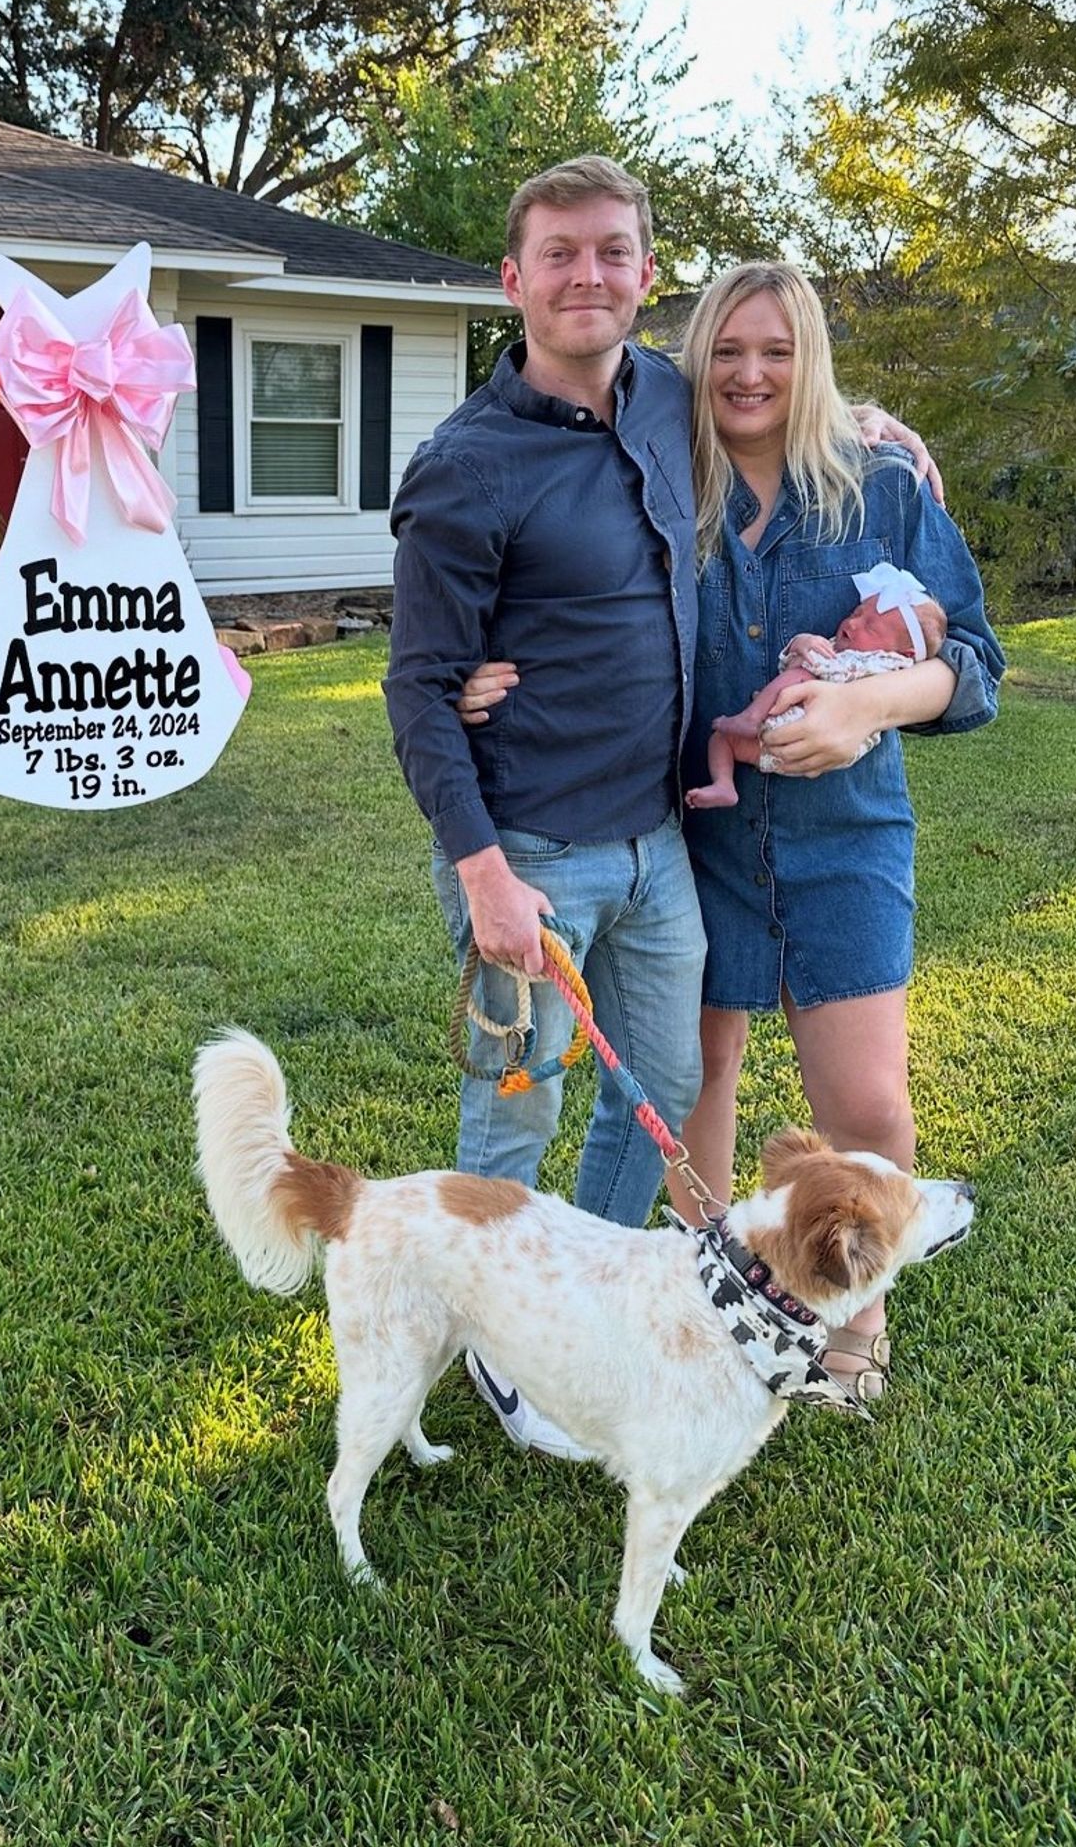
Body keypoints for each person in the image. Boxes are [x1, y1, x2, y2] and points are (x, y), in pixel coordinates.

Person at [383, 158, 938, 1457]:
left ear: (643, 271)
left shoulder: (668, 400)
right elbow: (415, 692)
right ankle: (491, 1336)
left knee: (669, 1083)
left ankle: (586, 1288)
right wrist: (480, 875)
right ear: (513, 280)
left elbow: (774, 389)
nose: (589, 275)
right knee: (511, 1099)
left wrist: (862, 417)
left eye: (613, 252)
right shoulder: (464, 465)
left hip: (656, 848)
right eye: (560, 254)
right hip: (528, 856)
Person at [460, 258, 1004, 1405]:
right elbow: (551, 593)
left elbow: (976, 667)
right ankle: (701, 1301)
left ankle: (851, 1326)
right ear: (691, 359)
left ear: (810, 361)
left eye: (778, 349)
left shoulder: (879, 486)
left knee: (864, 1105)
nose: (750, 372)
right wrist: (473, 671)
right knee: (692, 1076)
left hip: (845, 838)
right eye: (727, 349)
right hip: (688, 838)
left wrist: (865, 704)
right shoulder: (652, 486)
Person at [685, 570, 947, 809]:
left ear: (905, 652)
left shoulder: (886, 663)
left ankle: (751, 718)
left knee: (802, 673)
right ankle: (724, 785)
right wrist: (802, 643)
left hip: (813, 743)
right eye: (857, 613)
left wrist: (805, 652)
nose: (853, 624)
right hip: (780, 744)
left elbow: (824, 669)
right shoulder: (848, 648)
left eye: (870, 627)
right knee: (721, 739)